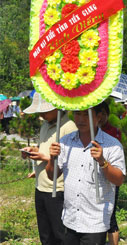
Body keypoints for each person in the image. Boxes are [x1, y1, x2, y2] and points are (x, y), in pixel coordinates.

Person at [46, 105, 126, 244]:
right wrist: (52, 159)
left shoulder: (112, 145)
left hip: (94, 221)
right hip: (70, 218)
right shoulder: (65, 142)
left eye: (86, 115)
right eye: (77, 114)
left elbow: (119, 180)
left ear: (98, 117)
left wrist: (102, 162)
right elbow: (52, 175)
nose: (81, 119)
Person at [20, 92, 77, 244]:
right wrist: (34, 151)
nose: (41, 114)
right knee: (45, 234)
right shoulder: (45, 125)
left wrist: (43, 157)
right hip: (41, 185)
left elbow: (71, 160)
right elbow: (44, 149)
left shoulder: (69, 127)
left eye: (44, 111)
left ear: (57, 107)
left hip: (57, 188)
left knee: (60, 234)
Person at [96, 101, 122, 245]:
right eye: (98, 115)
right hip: (94, 180)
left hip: (110, 176)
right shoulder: (89, 131)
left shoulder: (113, 132)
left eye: (103, 115)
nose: (101, 118)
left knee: (110, 216)